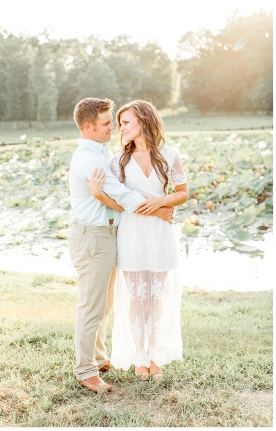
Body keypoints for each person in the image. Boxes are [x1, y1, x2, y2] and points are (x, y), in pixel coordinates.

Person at [68, 97, 174, 393]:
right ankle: (86, 371)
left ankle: (99, 359)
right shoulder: (89, 159)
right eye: (105, 123)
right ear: (88, 126)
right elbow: (124, 195)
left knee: (104, 304)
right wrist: (160, 209)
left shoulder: (101, 154)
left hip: (109, 235)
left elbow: (114, 197)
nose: (112, 128)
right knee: (91, 305)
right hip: (92, 236)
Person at [86, 100, 188, 382]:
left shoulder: (170, 154)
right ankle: (139, 358)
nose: (121, 128)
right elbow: (120, 201)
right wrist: (97, 194)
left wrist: (161, 201)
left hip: (159, 235)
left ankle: (154, 355)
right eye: (119, 124)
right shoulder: (119, 160)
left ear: (143, 120)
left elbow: (182, 192)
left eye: (126, 122)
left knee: (155, 299)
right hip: (131, 233)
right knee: (135, 299)